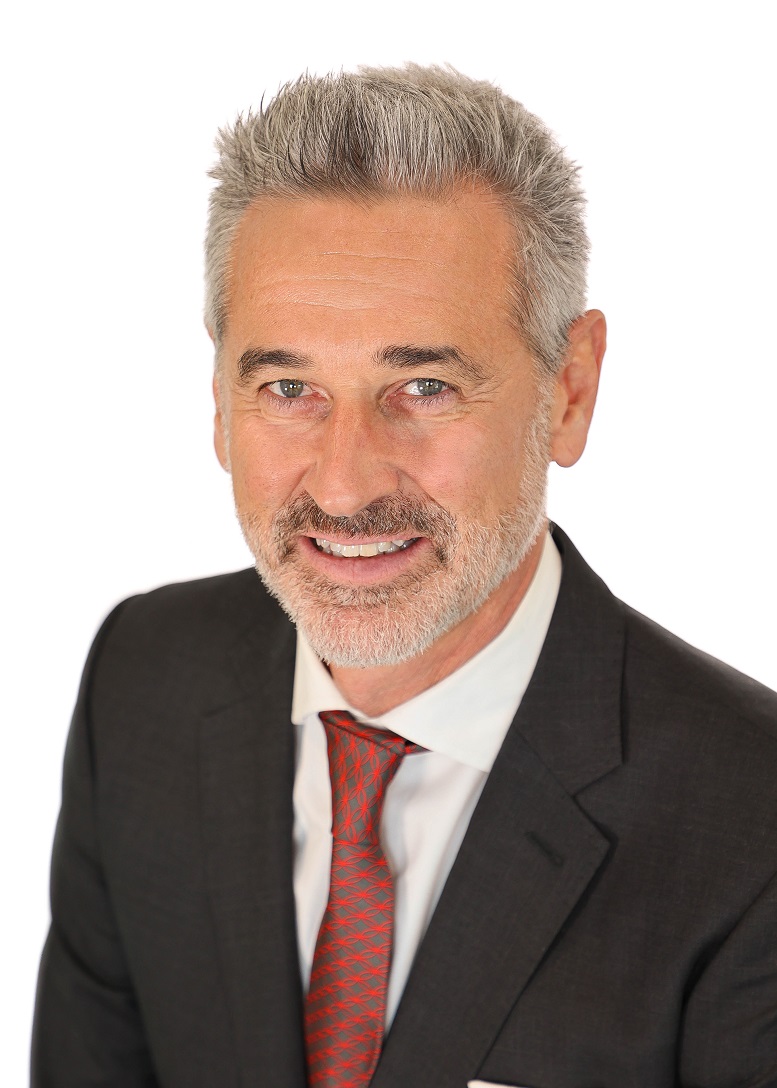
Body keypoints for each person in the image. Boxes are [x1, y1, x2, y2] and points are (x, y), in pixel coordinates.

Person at [32, 64, 777, 1088]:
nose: (343, 485)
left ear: (569, 390)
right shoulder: (143, 681)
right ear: (218, 397)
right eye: (288, 386)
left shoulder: (752, 821)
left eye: (423, 386)